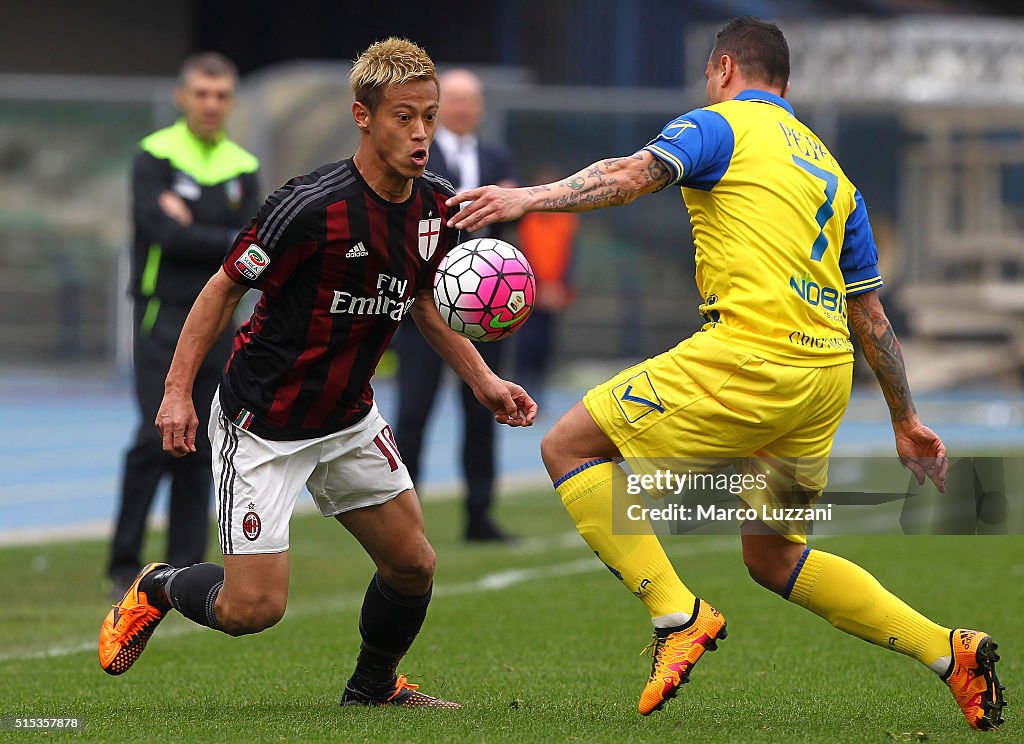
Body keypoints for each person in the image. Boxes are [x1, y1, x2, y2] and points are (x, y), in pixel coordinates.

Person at [448, 17, 1005, 730]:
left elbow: (628, 177)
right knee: (775, 558)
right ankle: (949, 652)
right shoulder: (832, 172)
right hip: (824, 376)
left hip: (751, 354)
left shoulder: (719, 125)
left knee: (568, 446)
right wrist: (906, 418)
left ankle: (676, 616)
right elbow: (871, 316)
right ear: (789, 86)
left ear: (723, 69)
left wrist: (527, 197)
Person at [98, 38, 536, 709]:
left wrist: (483, 380)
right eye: (404, 117)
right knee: (253, 611)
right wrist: (177, 392)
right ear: (363, 116)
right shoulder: (308, 206)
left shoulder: (433, 206)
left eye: (429, 115)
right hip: (264, 420)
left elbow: (422, 296)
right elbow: (221, 289)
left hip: (349, 418)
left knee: (413, 563)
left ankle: (372, 687)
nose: (421, 133)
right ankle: (157, 584)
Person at [108, 52, 260, 599]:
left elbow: (252, 246)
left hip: (219, 316)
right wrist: (217, 239)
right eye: (201, 93)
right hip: (162, 312)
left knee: (200, 441)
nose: (211, 104)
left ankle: (183, 569)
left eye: (221, 95)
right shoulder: (154, 156)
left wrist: (197, 229)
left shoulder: (242, 165)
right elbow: (164, 238)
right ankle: (124, 563)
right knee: (155, 435)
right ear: (182, 97)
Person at [393, 68, 518, 542]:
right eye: (456, 101)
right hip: (423, 306)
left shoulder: (496, 157)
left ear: (480, 108)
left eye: (472, 101)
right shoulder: (419, 156)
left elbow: (510, 222)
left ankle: (480, 516)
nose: (464, 109)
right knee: (413, 415)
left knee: (485, 409)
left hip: (485, 312)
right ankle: (405, 520)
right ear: (443, 107)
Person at [512, 170, 579, 409]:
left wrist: (560, 287)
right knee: (526, 342)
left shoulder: (566, 220)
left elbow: (571, 256)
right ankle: (521, 388)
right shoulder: (527, 220)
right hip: (530, 292)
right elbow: (522, 255)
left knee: (546, 343)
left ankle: (538, 389)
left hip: (555, 293)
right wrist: (537, 287)